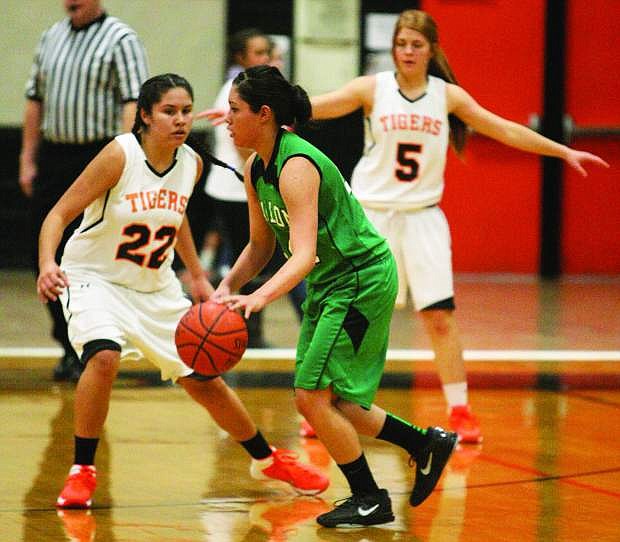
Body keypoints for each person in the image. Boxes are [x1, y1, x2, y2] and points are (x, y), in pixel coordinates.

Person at [308, 9, 609, 443]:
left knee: (441, 318)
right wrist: (254, 109)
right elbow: (314, 106)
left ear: (431, 50)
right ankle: (327, 404)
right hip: (371, 217)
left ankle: (461, 410)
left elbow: (503, 128)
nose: (408, 51)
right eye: (401, 43)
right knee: (355, 316)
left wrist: (562, 151)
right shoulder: (372, 89)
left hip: (424, 217)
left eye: (416, 44)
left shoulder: (447, 96)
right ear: (393, 48)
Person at [36, 73, 329, 510]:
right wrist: (47, 263)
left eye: (186, 111)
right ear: (146, 116)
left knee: (205, 380)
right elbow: (58, 214)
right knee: (103, 356)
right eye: (169, 111)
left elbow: (176, 219)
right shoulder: (121, 154)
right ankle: (83, 470)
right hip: (94, 279)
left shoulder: (190, 162)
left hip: (155, 287)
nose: (180, 120)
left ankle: (267, 460)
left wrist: (196, 274)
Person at [213, 65, 457, 528]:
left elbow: (301, 254)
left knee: (311, 396)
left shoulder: (296, 166)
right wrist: (228, 286)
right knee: (336, 401)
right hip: (333, 281)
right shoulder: (255, 167)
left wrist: (260, 298)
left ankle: (369, 496)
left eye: (234, 110)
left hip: (360, 277)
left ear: (264, 115)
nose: (227, 119)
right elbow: (261, 246)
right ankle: (425, 445)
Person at [19, 0, 149, 382]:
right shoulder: (52, 36)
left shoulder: (121, 38)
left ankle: (90, 345)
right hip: (55, 155)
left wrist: (127, 158)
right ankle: (67, 343)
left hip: (97, 155)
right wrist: (28, 157)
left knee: (88, 253)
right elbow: (34, 100)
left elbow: (133, 103)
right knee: (43, 250)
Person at [201, 28, 305, 345]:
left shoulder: (297, 160)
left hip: (249, 189)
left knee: (273, 258)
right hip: (235, 190)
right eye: (258, 53)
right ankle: (246, 330)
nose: (265, 58)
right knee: (260, 258)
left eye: (268, 53)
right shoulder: (237, 92)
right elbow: (248, 154)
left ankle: (249, 328)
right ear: (241, 57)